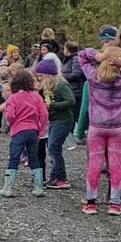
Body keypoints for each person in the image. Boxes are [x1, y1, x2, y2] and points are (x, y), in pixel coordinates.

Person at [78, 45, 121, 215]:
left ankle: (90, 203)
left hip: (96, 126)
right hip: (117, 127)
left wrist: (98, 56)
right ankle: (114, 204)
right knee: (116, 164)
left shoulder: (92, 76)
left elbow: (82, 54)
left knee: (94, 163)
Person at [0, 69, 49, 197]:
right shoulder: (37, 97)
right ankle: (39, 188)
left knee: (14, 157)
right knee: (34, 158)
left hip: (18, 131)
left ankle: (8, 188)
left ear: (14, 83)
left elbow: (10, 114)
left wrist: (12, 125)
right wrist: (40, 129)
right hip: (33, 130)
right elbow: (44, 114)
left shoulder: (13, 98)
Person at [36, 59, 76, 189]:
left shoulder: (61, 85)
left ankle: (61, 178)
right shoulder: (48, 87)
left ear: (48, 74)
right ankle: (54, 176)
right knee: (52, 148)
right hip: (53, 120)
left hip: (63, 120)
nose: (39, 78)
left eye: (41, 75)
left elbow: (71, 101)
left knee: (54, 147)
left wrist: (52, 105)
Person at [0, 45, 22, 134]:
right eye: (14, 52)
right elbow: (1, 74)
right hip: (6, 86)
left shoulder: (20, 61)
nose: (16, 54)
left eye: (17, 52)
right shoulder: (4, 61)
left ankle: (12, 127)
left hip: (17, 86)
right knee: (3, 107)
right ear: (10, 53)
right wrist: (10, 68)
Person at [62, 41, 85, 127]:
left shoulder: (75, 59)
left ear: (67, 49)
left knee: (74, 114)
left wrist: (63, 76)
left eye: (64, 49)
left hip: (76, 91)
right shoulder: (68, 60)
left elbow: (77, 74)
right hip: (71, 89)